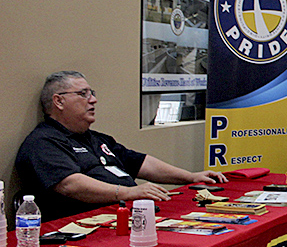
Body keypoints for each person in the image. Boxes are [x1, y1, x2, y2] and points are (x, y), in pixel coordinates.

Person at [16, 71, 227, 222]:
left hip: (129, 216)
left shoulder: (96, 138)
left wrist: (190, 177)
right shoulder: (43, 142)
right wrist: (127, 193)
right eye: (84, 94)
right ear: (58, 101)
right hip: (86, 226)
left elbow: (142, 164)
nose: (94, 100)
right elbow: (70, 185)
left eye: (92, 93)